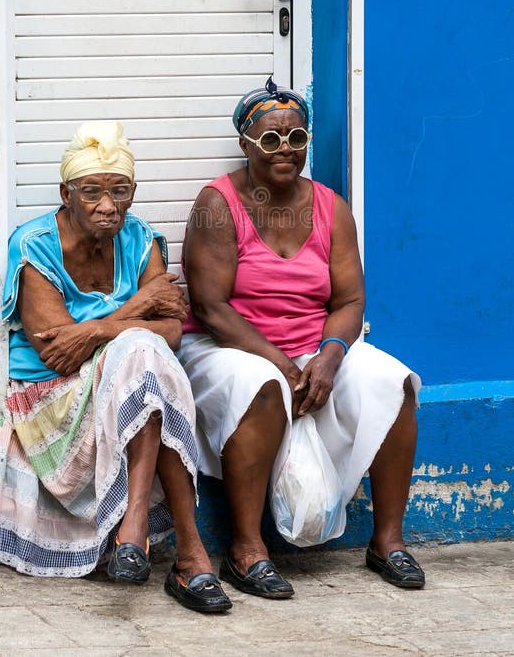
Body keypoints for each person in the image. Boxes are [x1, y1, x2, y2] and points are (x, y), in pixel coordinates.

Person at [179, 77, 425, 599]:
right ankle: (246, 551)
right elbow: (209, 306)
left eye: (296, 138)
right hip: (229, 347)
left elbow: (349, 302)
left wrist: (331, 356)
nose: (285, 149)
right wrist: (283, 365)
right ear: (246, 144)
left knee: (394, 383)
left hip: (314, 346)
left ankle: (388, 541)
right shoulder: (216, 204)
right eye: (270, 140)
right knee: (262, 385)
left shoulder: (331, 208)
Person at [0, 121, 232, 614]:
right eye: (92, 192)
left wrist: (94, 330)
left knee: (144, 360)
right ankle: (187, 552)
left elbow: (172, 333)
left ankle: (137, 533)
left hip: (127, 389)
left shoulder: (140, 239)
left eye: (120, 192)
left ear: (133, 193)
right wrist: (139, 303)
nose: (107, 206)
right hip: (52, 397)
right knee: (141, 358)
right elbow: (56, 352)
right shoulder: (33, 244)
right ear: (66, 193)